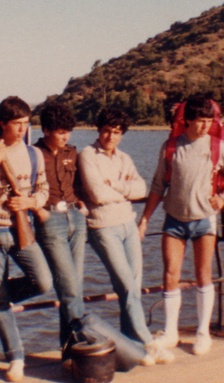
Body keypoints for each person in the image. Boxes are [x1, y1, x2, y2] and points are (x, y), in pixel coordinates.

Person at [138, 96, 224, 356]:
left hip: (204, 220)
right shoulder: (171, 147)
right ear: (187, 121)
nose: (205, 126)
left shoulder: (218, 146)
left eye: (209, 121)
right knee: (170, 275)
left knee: (202, 275)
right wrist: (144, 220)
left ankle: (202, 333)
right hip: (173, 220)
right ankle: (171, 333)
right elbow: (157, 186)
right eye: (200, 121)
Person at [78, 108, 174, 366]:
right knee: (127, 286)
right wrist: (122, 190)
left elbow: (141, 188)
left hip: (128, 225)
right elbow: (97, 194)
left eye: (117, 132)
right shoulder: (87, 155)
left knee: (133, 286)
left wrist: (116, 186)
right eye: (107, 130)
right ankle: (149, 344)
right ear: (99, 130)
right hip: (103, 226)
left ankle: (131, 348)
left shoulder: (124, 158)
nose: (111, 136)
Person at [0, 96, 53, 382]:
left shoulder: (34, 154)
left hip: (21, 228)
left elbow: (43, 190)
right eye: (17, 125)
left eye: (27, 124)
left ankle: (2, 298)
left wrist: (28, 203)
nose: (23, 130)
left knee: (43, 282)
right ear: (3, 124)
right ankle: (16, 357)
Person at [33, 102, 87, 360]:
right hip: (50, 220)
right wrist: (39, 212)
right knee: (69, 289)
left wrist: (82, 203)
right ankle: (82, 347)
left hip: (76, 218)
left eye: (68, 131)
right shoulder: (32, 154)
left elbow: (77, 183)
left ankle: (69, 351)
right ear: (45, 130)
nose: (65, 136)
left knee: (75, 285)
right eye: (60, 131)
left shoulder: (72, 152)